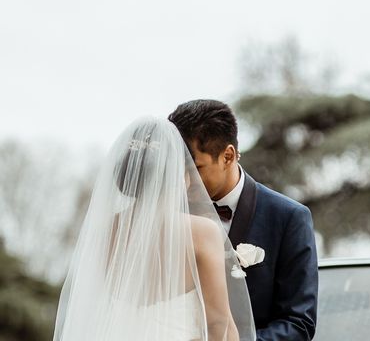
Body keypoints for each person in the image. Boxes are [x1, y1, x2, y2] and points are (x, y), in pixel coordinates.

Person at [53, 117, 255, 341]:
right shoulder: (202, 233)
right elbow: (220, 324)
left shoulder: (106, 230)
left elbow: (92, 308)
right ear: (179, 177)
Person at [169, 100, 318, 341]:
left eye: (195, 168)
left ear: (228, 156)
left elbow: (298, 323)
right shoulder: (167, 218)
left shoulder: (288, 218)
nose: (185, 179)